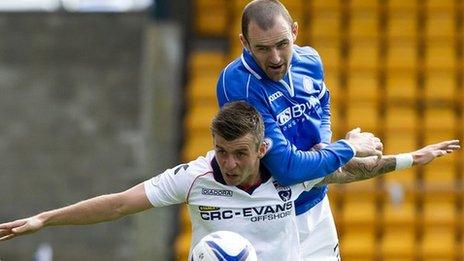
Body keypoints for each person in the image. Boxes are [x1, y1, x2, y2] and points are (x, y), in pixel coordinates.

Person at [0, 101, 459, 260]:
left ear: (262, 149)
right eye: (222, 151)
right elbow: (120, 203)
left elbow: (349, 171)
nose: (230, 162)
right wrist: (46, 218)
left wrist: (410, 159)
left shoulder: (287, 171)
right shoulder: (195, 177)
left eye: (241, 153)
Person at [215, 0, 459, 259]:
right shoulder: (239, 84)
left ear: (295, 32)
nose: (275, 58)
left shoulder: (310, 60)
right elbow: (287, 169)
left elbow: (322, 104)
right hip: (269, 218)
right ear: (244, 43)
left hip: (317, 207)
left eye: (282, 44)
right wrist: (348, 147)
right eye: (262, 48)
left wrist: (323, 141)